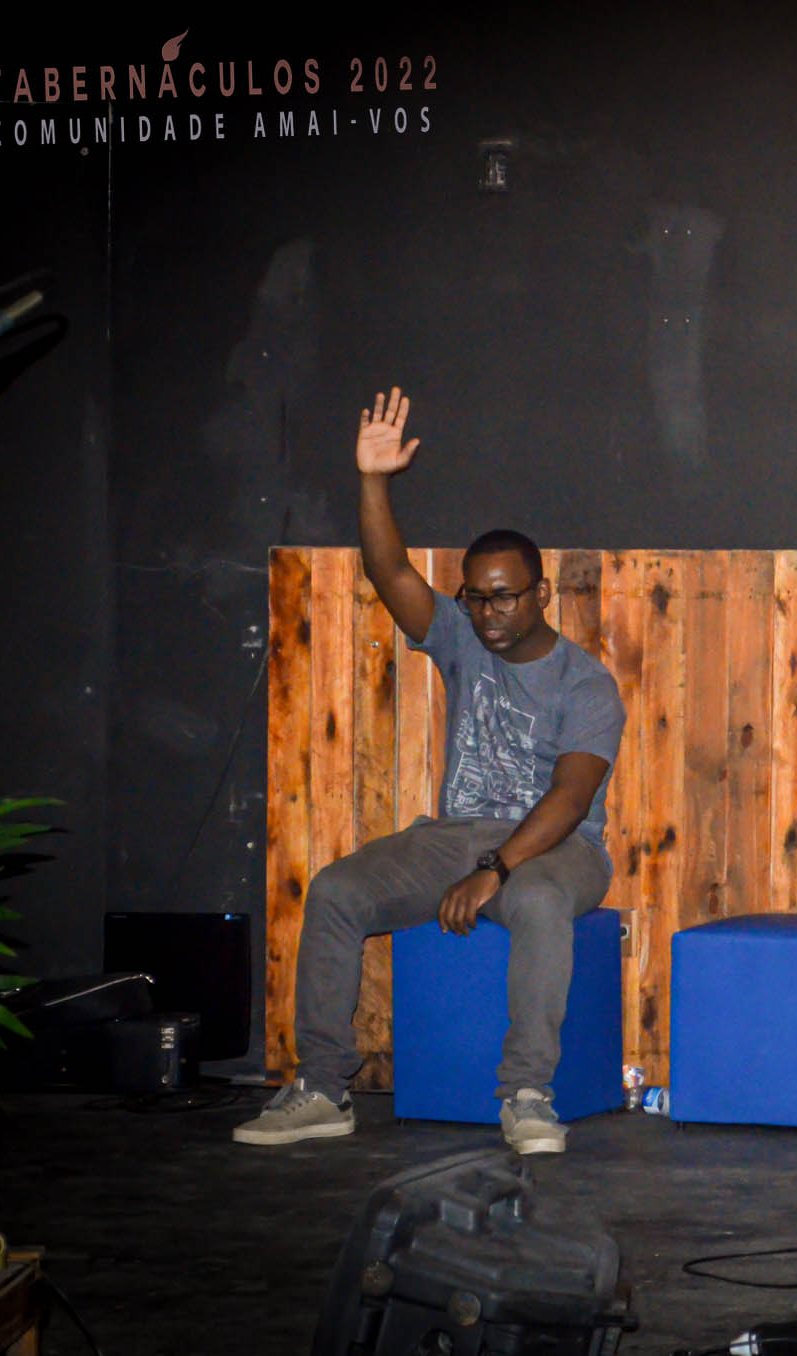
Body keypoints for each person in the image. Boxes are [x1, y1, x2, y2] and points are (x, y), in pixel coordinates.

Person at [234, 387, 625, 1155]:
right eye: (475, 599)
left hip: (558, 847)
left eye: (504, 598)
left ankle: (526, 1096)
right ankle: (322, 1087)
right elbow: (390, 572)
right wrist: (372, 480)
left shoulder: (585, 683)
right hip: (458, 836)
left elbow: (572, 796)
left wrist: (495, 869)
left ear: (542, 594)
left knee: (539, 901)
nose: (488, 614)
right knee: (337, 890)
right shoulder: (461, 639)